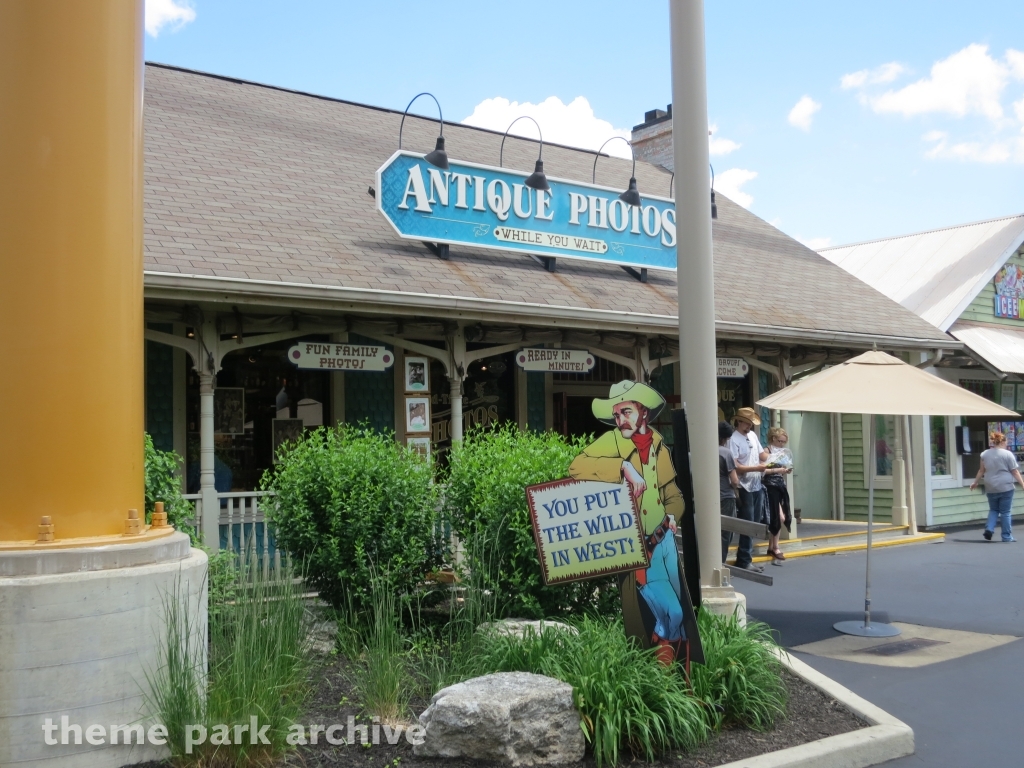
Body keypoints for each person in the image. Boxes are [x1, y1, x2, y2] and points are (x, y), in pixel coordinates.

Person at [569, 380, 694, 666]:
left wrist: (673, 515)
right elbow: (576, 466)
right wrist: (622, 468)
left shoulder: (659, 445)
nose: (620, 420)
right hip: (639, 547)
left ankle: (676, 686)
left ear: (643, 413)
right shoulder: (613, 440)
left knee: (680, 617)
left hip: (665, 542)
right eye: (616, 415)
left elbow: (672, 494)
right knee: (668, 613)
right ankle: (660, 678)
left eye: (625, 412)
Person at [729, 407, 767, 573]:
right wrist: (756, 468)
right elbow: (735, 465)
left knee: (754, 521)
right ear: (739, 421)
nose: (749, 426)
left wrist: (776, 458)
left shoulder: (752, 435)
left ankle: (746, 557)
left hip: (756, 483)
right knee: (748, 521)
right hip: (743, 485)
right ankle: (744, 559)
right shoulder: (733, 439)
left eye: (751, 423)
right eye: (746, 422)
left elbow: (761, 455)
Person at [970, 431, 1022, 542]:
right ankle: (1006, 536)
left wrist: (975, 482)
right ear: (1003, 441)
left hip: (990, 485)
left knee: (993, 509)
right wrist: (1023, 484)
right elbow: (1015, 472)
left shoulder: (984, 454)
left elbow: (981, 470)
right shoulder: (1007, 454)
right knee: (1005, 512)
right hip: (1005, 486)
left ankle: (989, 528)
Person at [763, 426, 794, 565]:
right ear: (774, 438)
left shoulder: (782, 452)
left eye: (784, 442)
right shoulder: (766, 451)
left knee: (781, 515)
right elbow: (762, 470)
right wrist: (777, 469)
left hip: (780, 485)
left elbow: (783, 468)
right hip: (770, 486)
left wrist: (785, 470)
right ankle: (775, 547)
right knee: (778, 516)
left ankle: (772, 546)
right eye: (780, 441)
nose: (782, 444)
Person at [719, 421, 740, 563]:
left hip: (707, 497)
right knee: (726, 532)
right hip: (726, 496)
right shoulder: (726, 453)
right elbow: (734, 480)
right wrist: (737, 491)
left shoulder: (701, 451)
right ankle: (721, 562)